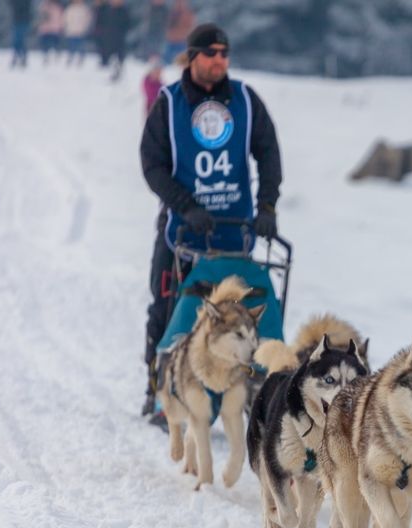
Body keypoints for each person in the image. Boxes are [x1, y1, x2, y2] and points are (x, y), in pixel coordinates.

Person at [138, 23, 282, 416]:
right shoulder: (169, 104)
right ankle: (158, 389)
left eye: (225, 53)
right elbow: (152, 165)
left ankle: (249, 393)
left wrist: (266, 207)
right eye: (212, 53)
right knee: (167, 307)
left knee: (242, 316)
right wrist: (185, 205)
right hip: (182, 231)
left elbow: (268, 154)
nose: (220, 60)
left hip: (235, 235)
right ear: (193, 56)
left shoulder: (245, 101)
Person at [97, 0, 130, 81]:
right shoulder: (105, 10)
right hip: (107, 40)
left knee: (118, 60)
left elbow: (127, 25)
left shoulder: (124, 11)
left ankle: (116, 75)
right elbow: (100, 22)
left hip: (119, 40)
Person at [163, 0, 195, 65]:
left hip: (182, 42)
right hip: (171, 42)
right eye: (177, 2)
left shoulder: (188, 14)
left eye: (181, 2)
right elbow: (166, 26)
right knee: (166, 63)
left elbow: (190, 29)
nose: (179, 4)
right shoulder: (171, 13)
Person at [62, 0, 93, 67]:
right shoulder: (70, 8)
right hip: (71, 30)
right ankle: (70, 58)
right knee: (71, 46)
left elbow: (88, 19)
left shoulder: (85, 9)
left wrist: (85, 27)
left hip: (81, 31)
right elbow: (65, 18)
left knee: (81, 46)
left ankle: (81, 59)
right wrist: (66, 27)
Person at [36, 0, 64, 64]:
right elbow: (40, 17)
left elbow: (60, 18)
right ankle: (46, 56)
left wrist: (60, 27)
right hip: (45, 29)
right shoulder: (43, 6)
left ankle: (56, 56)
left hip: (54, 29)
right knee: (44, 44)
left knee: (55, 44)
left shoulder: (57, 7)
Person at [9, 0, 32, 68]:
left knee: (20, 40)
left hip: (23, 21)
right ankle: (19, 57)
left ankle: (20, 57)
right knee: (17, 41)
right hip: (17, 21)